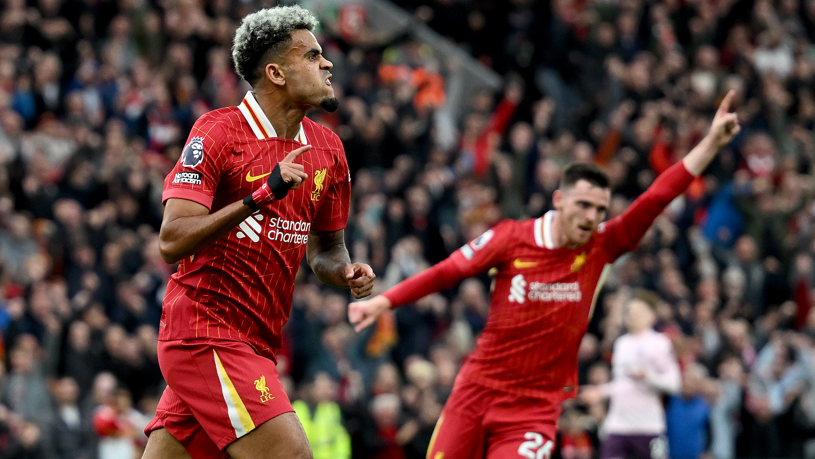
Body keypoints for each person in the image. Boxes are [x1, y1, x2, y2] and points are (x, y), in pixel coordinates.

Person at [348, 91, 741, 459]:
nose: (591, 217)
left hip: (534, 409)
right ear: (559, 200)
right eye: (583, 205)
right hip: (476, 391)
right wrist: (385, 300)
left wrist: (711, 143)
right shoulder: (511, 238)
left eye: (599, 209)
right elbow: (447, 272)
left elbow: (656, 197)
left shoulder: (601, 246)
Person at [141, 6, 375, 459]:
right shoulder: (218, 132)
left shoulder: (328, 149)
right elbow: (171, 241)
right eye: (311, 56)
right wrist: (259, 196)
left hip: (259, 340)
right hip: (204, 331)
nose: (327, 64)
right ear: (276, 73)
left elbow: (326, 248)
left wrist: (345, 272)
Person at [581, 294, 681, 459]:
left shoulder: (659, 343)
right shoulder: (622, 344)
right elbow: (622, 383)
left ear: (652, 316)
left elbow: (673, 384)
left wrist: (648, 377)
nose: (633, 315)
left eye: (639, 311)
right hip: (617, 426)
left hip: (647, 426)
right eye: (630, 311)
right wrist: (600, 392)